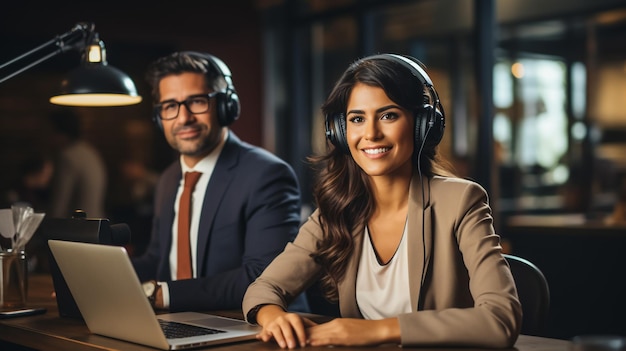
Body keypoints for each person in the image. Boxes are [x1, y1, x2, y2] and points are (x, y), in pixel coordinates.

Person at [243, 53, 522, 348]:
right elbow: (264, 288)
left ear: (422, 125)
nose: (371, 134)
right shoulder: (337, 208)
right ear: (339, 131)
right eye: (357, 119)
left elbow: (500, 319)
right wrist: (272, 315)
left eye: (388, 115)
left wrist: (374, 330)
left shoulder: (460, 201)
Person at [131, 51, 303, 312]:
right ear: (159, 117)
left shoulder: (267, 175)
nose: (183, 118)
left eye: (197, 102)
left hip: (248, 324)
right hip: (180, 320)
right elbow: (158, 259)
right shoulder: (168, 179)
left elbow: (263, 276)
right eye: (170, 106)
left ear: (226, 106)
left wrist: (160, 294)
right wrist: (99, 280)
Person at [47, 108, 107, 219]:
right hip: (97, 223)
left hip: (79, 228)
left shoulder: (68, 156)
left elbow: (60, 203)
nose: (47, 137)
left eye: (49, 131)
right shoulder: (90, 151)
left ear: (59, 132)